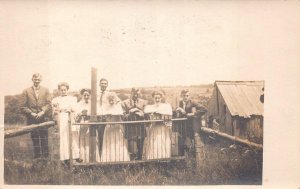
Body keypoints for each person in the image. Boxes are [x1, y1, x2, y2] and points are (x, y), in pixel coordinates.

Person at [20, 73, 52, 158]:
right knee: (35, 140)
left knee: (44, 139)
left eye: (38, 79)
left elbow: (49, 104)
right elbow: (22, 106)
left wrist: (42, 112)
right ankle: (37, 160)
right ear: (32, 79)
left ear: (41, 80)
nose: (37, 81)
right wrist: (31, 113)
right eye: (35, 79)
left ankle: (46, 159)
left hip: (43, 118)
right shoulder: (26, 91)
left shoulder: (46, 90)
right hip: (32, 119)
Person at [51, 82, 80, 162]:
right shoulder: (56, 100)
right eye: (61, 90)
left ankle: (74, 156)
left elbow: (76, 109)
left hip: (70, 118)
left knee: (72, 137)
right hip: (61, 120)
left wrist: (70, 110)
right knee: (63, 137)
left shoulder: (72, 99)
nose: (63, 91)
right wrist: (56, 110)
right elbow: (54, 112)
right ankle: (65, 157)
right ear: (59, 90)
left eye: (65, 90)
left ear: (67, 90)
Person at [100, 93, 130, 162]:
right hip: (109, 127)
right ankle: (108, 160)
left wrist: (119, 116)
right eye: (109, 100)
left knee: (117, 143)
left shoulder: (118, 107)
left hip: (117, 127)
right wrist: (106, 116)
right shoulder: (104, 108)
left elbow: (122, 117)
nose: (111, 101)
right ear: (108, 100)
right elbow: (102, 117)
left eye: (112, 100)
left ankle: (120, 159)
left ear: (115, 100)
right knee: (109, 143)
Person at [175, 89, 207, 154]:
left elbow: (204, 109)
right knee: (182, 142)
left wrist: (193, 114)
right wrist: (178, 110)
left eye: (187, 95)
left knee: (192, 142)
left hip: (191, 126)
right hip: (183, 126)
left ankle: (193, 157)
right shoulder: (180, 103)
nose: (185, 97)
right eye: (184, 96)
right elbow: (181, 113)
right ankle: (183, 157)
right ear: (181, 96)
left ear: (189, 96)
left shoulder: (192, 102)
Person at [144, 91, 173, 160]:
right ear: (153, 98)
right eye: (155, 98)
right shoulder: (149, 107)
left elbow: (169, 115)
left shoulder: (165, 106)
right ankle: (153, 158)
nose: (157, 99)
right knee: (154, 143)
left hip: (163, 127)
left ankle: (164, 158)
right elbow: (146, 114)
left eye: (159, 98)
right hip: (154, 127)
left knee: (162, 142)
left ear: (161, 98)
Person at [122, 88, 147, 160]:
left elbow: (147, 115)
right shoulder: (125, 103)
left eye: (137, 93)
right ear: (131, 93)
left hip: (140, 129)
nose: (135, 95)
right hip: (131, 129)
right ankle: (132, 166)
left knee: (140, 150)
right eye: (134, 93)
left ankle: (140, 166)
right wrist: (130, 113)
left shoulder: (144, 102)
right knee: (132, 150)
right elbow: (123, 117)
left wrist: (142, 114)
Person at [75, 88, 100, 162]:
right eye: (84, 95)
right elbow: (76, 115)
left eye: (88, 95)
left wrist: (90, 115)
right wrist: (79, 114)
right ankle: (83, 159)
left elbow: (97, 113)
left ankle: (93, 159)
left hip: (91, 123)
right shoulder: (78, 104)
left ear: (90, 95)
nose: (86, 96)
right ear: (82, 95)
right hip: (83, 123)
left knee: (92, 140)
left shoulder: (93, 103)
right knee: (83, 140)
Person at [97, 78, 120, 156]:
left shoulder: (110, 94)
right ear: (99, 84)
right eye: (102, 83)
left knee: (106, 135)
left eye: (105, 83)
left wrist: (113, 111)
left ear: (107, 85)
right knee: (99, 135)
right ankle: (100, 154)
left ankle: (107, 154)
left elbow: (118, 102)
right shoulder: (96, 94)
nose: (103, 85)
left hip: (107, 116)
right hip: (98, 116)